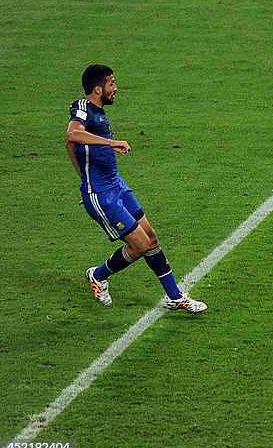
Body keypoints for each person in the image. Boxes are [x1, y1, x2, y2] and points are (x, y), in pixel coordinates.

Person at [67, 64, 206, 313]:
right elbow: (72, 136)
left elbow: (71, 146)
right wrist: (110, 144)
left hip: (117, 185)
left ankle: (175, 297)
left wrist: (83, 180)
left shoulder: (98, 112)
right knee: (140, 245)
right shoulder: (83, 109)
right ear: (98, 89)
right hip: (102, 195)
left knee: (151, 237)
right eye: (111, 84)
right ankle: (98, 275)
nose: (115, 88)